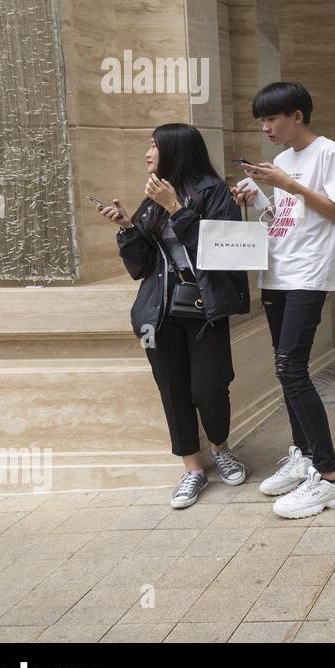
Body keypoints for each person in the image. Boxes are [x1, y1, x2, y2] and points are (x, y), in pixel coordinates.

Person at [100, 123, 250, 508]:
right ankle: (192, 468)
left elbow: (225, 252)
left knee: (209, 388)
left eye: (153, 146)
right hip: (159, 312)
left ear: (175, 150)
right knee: (173, 389)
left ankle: (221, 448)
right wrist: (128, 228)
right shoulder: (152, 198)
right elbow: (142, 266)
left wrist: (176, 208)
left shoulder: (213, 192)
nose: (147, 153)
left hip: (204, 309)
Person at [232, 81, 335, 519]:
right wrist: (261, 197)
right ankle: (303, 455)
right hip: (277, 271)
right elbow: (287, 218)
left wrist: (288, 183)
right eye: (262, 120)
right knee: (283, 366)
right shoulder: (282, 161)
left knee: (291, 367)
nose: (266, 127)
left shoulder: (328, 153)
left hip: (309, 273)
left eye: (272, 118)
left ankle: (329, 478)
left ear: (297, 115)